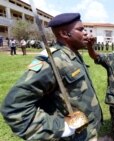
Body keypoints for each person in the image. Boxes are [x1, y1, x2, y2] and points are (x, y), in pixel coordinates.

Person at [1, 13, 102, 141]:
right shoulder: (51, 61)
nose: (86, 33)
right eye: (81, 29)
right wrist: (62, 128)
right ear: (65, 34)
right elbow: (14, 108)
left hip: (87, 132)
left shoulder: (73, 55)